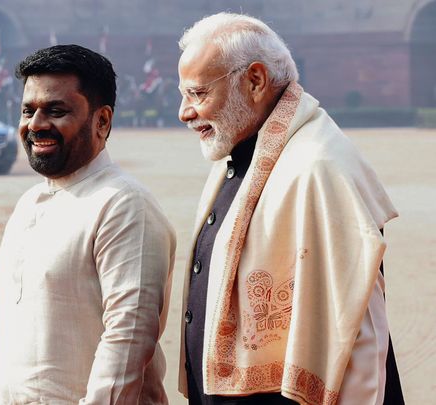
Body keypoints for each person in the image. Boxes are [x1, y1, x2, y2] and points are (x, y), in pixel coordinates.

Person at [176, 13, 404, 405]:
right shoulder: (246, 151)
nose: (184, 112)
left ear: (255, 81)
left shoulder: (318, 168)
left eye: (197, 94)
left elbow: (358, 338)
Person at [0, 44, 176, 404]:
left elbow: (128, 340)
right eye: (28, 110)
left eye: (56, 111)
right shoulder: (28, 204)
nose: (36, 125)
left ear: (102, 120)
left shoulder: (124, 205)